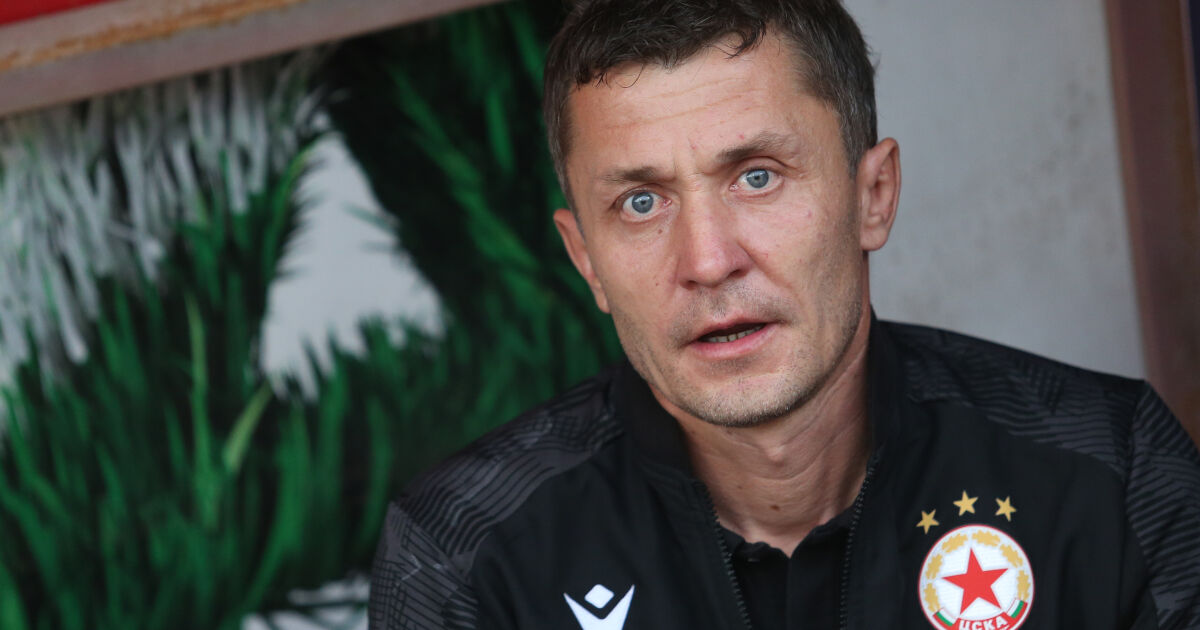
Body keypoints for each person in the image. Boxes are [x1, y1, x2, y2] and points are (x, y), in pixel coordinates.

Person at [368, 1, 1200, 628]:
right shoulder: (464, 557)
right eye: (641, 201)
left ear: (874, 196)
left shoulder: (1111, 471)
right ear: (586, 258)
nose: (707, 260)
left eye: (757, 176)